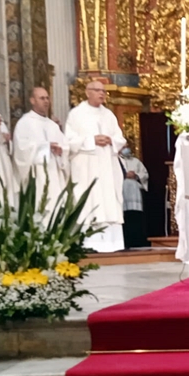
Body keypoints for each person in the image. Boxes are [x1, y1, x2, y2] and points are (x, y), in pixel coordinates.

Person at [65, 80, 127, 253]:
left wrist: (111, 140)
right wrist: (91, 140)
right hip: (87, 166)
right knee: (90, 201)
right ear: (87, 92)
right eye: (97, 90)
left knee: (108, 201)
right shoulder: (76, 114)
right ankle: (88, 243)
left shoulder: (109, 115)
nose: (102, 94)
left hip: (107, 164)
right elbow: (69, 141)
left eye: (103, 91)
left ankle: (112, 244)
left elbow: (120, 138)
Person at [13, 87, 69, 207]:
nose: (46, 101)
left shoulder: (53, 125)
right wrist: (45, 147)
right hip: (37, 174)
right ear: (32, 100)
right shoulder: (25, 123)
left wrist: (61, 151)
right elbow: (21, 150)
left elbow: (65, 146)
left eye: (47, 98)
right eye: (42, 98)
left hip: (54, 172)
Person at [119, 147, 149, 248]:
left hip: (135, 192)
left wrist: (136, 175)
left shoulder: (136, 161)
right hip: (121, 192)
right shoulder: (116, 160)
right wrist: (123, 175)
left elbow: (145, 174)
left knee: (135, 217)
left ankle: (137, 239)